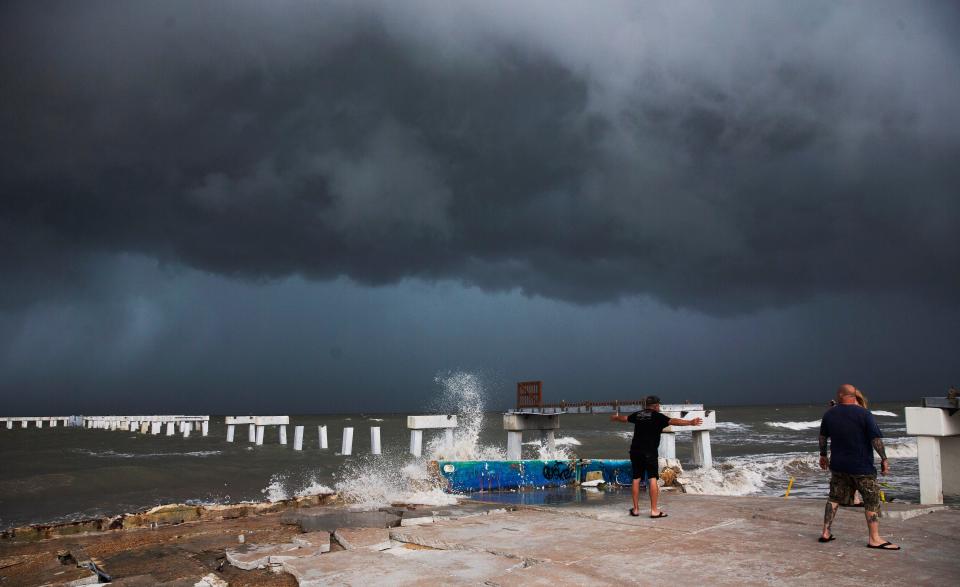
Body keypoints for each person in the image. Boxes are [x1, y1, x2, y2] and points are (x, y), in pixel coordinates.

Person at [818, 384, 899, 550]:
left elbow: (822, 437)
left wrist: (823, 455)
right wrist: (884, 459)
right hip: (862, 467)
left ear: (840, 396)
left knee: (834, 498)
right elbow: (875, 439)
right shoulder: (864, 414)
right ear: (854, 395)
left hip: (839, 466)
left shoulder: (829, 414)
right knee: (871, 500)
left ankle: (826, 532)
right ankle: (874, 538)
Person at [611, 395, 703, 518]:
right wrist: (690, 422)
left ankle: (636, 509)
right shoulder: (658, 416)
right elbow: (674, 421)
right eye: (658, 405)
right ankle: (654, 511)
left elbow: (625, 418)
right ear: (655, 406)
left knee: (636, 478)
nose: (659, 407)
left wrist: (616, 418)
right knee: (652, 478)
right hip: (650, 452)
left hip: (635, 451)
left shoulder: (638, 414)